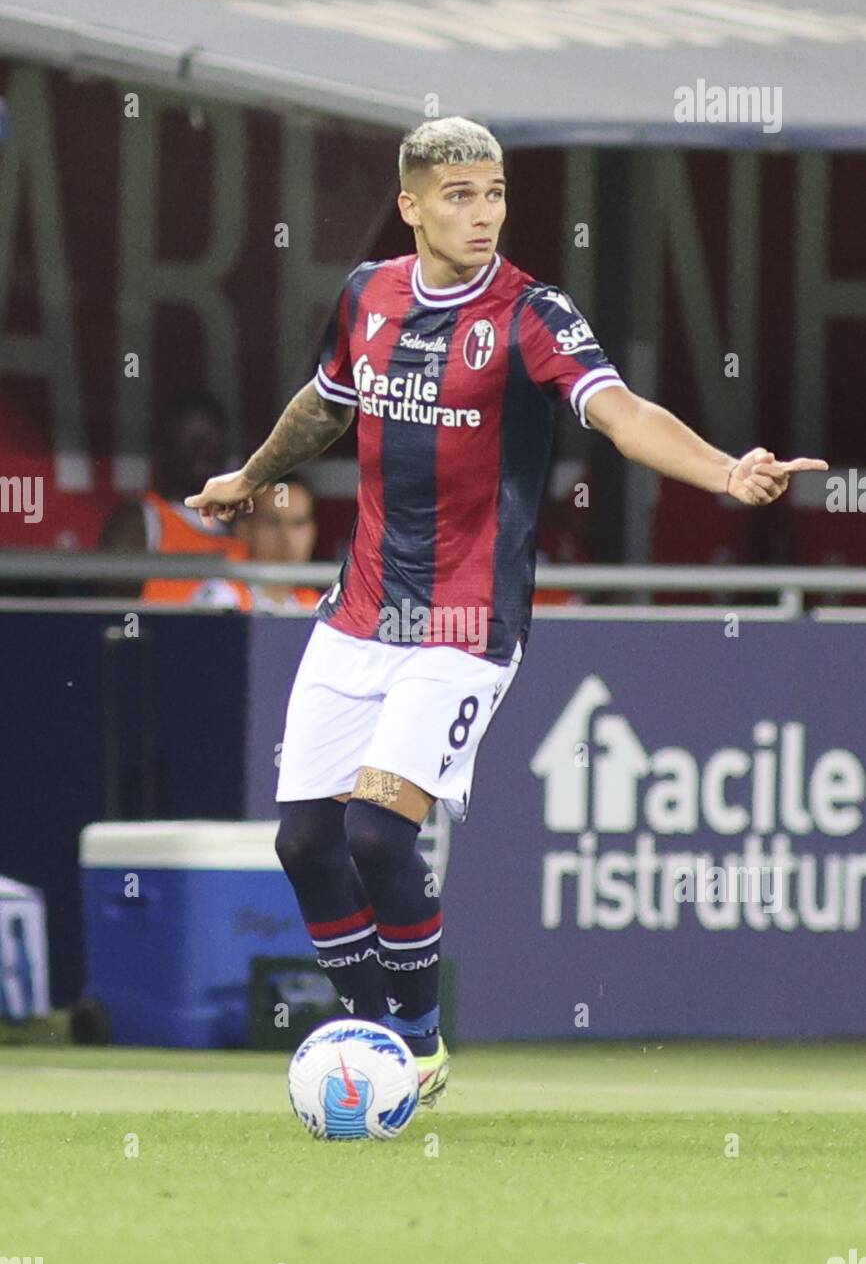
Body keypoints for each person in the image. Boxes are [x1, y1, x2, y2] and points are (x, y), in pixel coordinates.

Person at [185, 116, 827, 1107]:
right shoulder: (367, 296)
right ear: (410, 207)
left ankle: (416, 1042)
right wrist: (248, 475)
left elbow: (618, 412)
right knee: (302, 843)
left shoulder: (533, 311)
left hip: (464, 623)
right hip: (357, 612)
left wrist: (720, 469)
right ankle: (372, 1037)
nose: (481, 213)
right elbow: (325, 403)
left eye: (492, 193)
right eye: (458, 195)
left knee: (374, 833)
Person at [99, 392, 247, 602]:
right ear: (162, 447)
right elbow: (114, 605)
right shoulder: (140, 519)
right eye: (190, 439)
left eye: (209, 439)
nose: (201, 450)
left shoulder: (245, 517)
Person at [192, 479, 323, 613]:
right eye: (272, 523)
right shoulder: (222, 597)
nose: (286, 538)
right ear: (244, 530)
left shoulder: (319, 607)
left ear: (313, 531)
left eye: (298, 523)